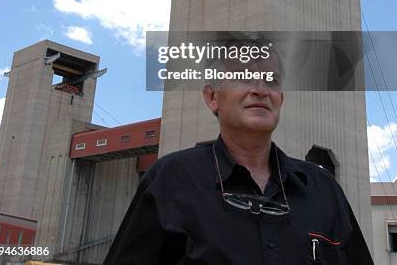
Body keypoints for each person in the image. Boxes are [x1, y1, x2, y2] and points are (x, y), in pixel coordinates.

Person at [104, 45, 373, 264]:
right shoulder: (169, 181)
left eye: (272, 80)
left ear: (281, 98)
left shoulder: (323, 189)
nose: (260, 89)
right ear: (212, 97)